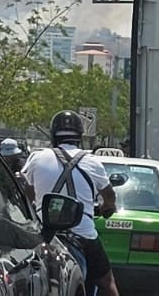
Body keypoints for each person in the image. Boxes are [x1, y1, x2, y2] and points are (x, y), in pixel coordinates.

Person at [21, 110, 119, 296]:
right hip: (83, 235)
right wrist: (108, 207)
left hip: (45, 233)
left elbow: (27, 192)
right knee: (108, 284)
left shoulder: (37, 157)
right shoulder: (92, 161)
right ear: (79, 136)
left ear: (53, 134)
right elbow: (109, 195)